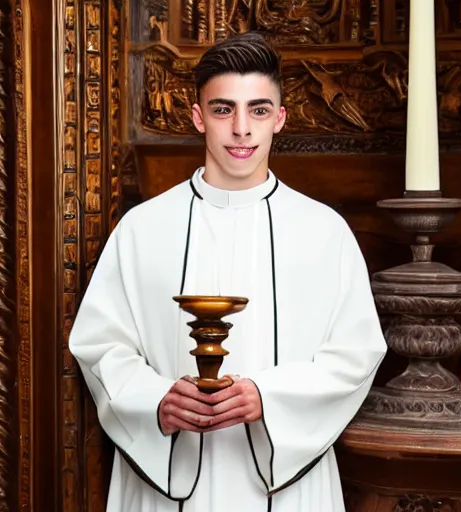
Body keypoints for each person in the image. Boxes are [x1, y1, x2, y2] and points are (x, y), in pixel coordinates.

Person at [69, 32, 387, 512]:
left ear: (279, 119)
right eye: (223, 110)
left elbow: (357, 354)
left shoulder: (325, 233)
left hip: (288, 489)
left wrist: (270, 397)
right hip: (168, 482)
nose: (241, 129)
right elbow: (99, 345)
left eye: (258, 110)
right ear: (199, 117)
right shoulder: (142, 229)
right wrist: (156, 399)